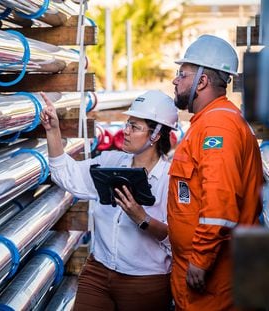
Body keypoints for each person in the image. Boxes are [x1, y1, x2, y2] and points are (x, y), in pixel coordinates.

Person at [40, 90, 178, 311]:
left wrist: (142, 219)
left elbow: (178, 240)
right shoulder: (110, 161)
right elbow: (67, 176)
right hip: (98, 273)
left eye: (135, 127)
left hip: (145, 282)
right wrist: (53, 130)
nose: (126, 131)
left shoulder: (171, 180)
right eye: (127, 124)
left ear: (156, 134)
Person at [168, 34, 264, 310]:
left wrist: (200, 259)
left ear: (202, 81)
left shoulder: (218, 126)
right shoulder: (207, 123)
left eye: (182, 74)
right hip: (200, 274)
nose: (176, 80)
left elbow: (219, 206)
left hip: (214, 278)